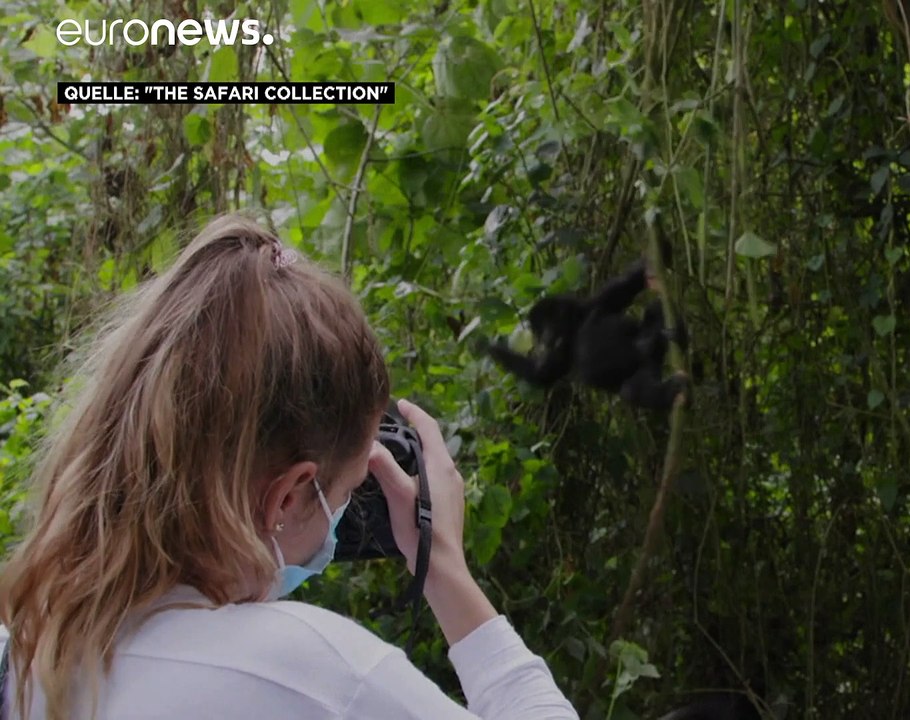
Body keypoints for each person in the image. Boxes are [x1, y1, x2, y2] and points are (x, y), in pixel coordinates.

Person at [0, 215, 580, 720]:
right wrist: (444, 568)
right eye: (349, 492)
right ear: (287, 496)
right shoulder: (312, 676)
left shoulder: (28, 645)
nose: (343, 517)